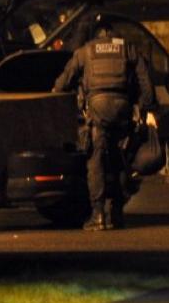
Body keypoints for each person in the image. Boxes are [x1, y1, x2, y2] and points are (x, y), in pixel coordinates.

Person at [53, 14, 157, 231]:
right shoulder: (127, 48)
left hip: (98, 110)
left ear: (96, 34)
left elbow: (63, 83)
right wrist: (145, 106)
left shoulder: (85, 51)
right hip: (122, 108)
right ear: (111, 33)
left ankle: (98, 214)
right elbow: (146, 81)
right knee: (120, 159)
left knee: (96, 161)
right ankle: (117, 212)